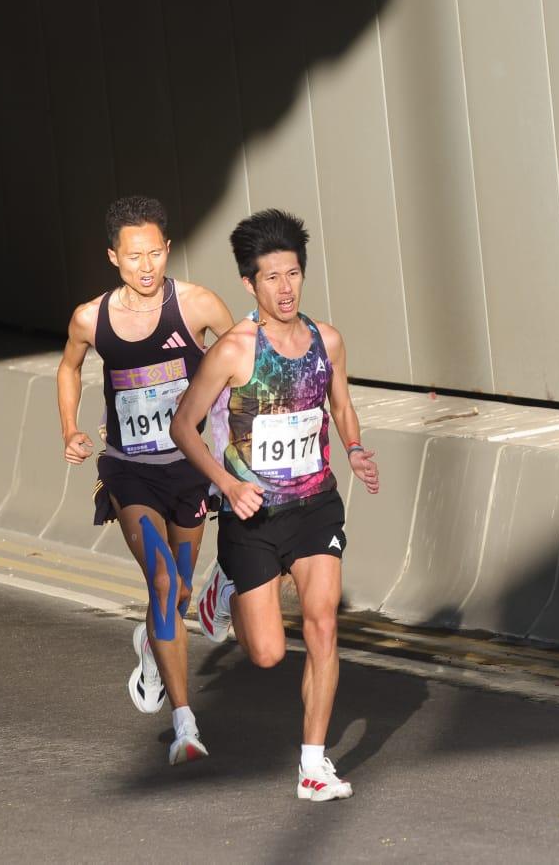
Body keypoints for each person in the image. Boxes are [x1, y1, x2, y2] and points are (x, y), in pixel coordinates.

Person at [171, 208, 379, 802]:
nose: (285, 289)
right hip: (251, 515)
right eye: (272, 277)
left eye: (293, 274)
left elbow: (339, 406)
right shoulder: (236, 350)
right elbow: (183, 425)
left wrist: (356, 449)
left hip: (316, 505)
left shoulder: (326, 341)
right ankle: (227, 590)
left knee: (323, 622)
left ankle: (314, 765)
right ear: (249, 284)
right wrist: (228, 486)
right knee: (265, 654)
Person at [56, 196, 234, 765]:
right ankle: (185, 725)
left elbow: (241, 359)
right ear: (114, 257)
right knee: (161, 582)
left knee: (179, 592)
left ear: (168, 250)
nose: (147, 267)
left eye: (155, 253)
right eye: (135, 257)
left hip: (189, 472)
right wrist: (70, 429)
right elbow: (68, 366)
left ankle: (151, 648)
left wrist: (238, 439)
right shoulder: (92, 317)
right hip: (130, 472)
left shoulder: (200, 305)